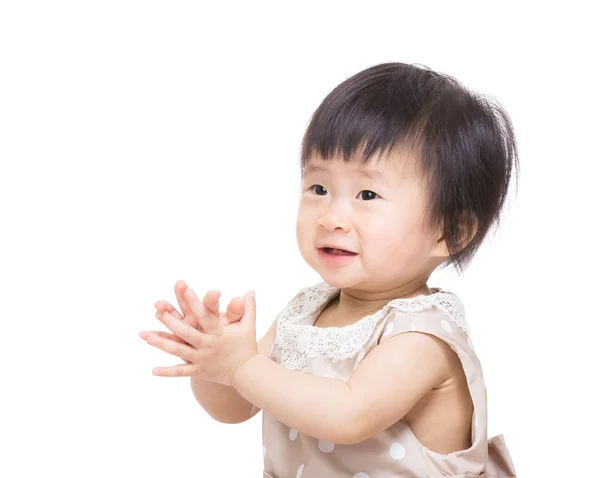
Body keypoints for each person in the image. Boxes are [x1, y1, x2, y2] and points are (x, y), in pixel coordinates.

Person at [140, 62, 519, 477]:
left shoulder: (421, 337)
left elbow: (348, 414)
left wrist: (241, 366)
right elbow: (236, 405)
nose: (332, 217)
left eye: (367, 194)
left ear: (450, 231)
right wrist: (215, 364)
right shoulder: (306, 310)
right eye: (319, 188)